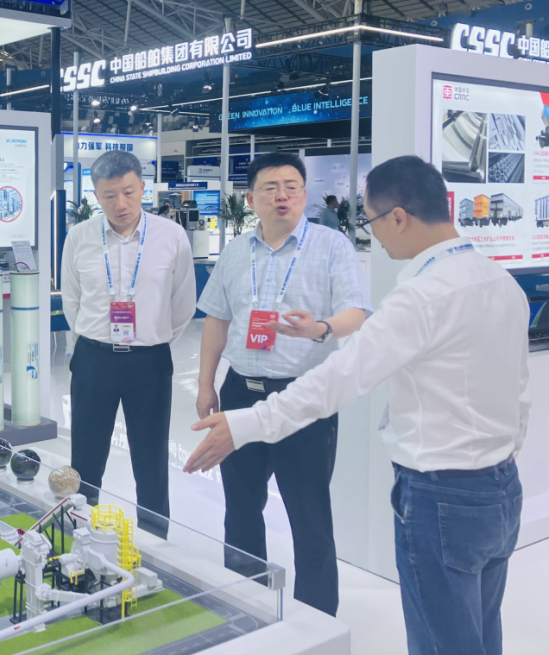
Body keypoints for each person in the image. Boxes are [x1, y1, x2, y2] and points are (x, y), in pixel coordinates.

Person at [186, 155, 528, 655]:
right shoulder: (501, 283)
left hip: (438, 492)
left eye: (371, 221)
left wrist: (245, 424)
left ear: (398, 218)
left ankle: (316, 631)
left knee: (442, 638)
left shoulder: (420, 295)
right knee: (478, 628)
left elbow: (342, 377)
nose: (376, 238)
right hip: (500, 485)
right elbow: (520, 390)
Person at [194, 152, 370, 616]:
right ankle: (246, 605)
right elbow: (217, 320)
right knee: (240, 507)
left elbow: (356, 311)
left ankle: (317, 621)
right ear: (251, 199)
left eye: (292, 187)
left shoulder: (332, 246)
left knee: (309, 515)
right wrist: (206, 384)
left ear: (305, 194)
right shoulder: (235, 252)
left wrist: (320, 328)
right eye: (270, 188)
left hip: (303, 397)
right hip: (240, 393)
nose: (282, 196)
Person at [62, 150, 196, 537]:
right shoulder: (79, 237)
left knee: (151, 460)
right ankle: (81, 539)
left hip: (149, 363)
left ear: (143, 189)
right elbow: (72, 301)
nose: (121, 204)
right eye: (109, 195)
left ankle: (154, 544)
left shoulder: (171, 236)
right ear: (95, 195)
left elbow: (182, 303)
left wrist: (150, 340)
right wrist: (97, 336)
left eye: (129, 192)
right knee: (85, 457)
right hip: (93, 360)